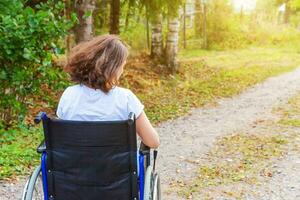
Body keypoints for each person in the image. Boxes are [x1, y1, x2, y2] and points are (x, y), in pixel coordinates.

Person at [56, 34, 160, 148]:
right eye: (122, 66)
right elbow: (153, 142)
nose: (122, 71)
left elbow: (62, 137)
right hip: (118, 165)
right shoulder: (125, 98)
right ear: (113, 68)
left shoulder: (69, 94)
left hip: (73, 165)